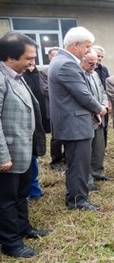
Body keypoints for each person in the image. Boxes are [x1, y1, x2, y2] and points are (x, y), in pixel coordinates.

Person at [0, 31, 49, 258]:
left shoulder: (17, 76)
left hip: (24, 151)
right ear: (10, 57)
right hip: (7, 155)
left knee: (21, 194)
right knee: (6, 200)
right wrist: (2, 156)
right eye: (29, 58)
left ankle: (23, 228)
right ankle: (11, 243)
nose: (33, 62)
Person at [49, 26, 107, 211]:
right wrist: (100, 108)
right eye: (87, 47)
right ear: (75, 45)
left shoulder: (60, 61)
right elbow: (83, 94)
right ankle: (78, 201)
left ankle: (76, 196)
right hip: (75, 125)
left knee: (76, 163)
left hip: (72, 123)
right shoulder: (67, 64)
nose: (89, 51)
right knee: (79, 164)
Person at [80, 49, 110, 191]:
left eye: (96, 63)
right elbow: (85, 98)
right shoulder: (79, 76)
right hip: (88, 119)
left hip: (100, 117)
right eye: (91, 63)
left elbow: (103, 92)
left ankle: (98, 173)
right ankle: (88, 179)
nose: (94, 66)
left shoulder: (95, 75)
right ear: (82, 61)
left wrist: (104, 105)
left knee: (99, 148)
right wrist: (98, 109)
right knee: (87, 151)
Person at [40, 46, 66, 171]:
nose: (56, 57)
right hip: (54, 109)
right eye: (53, 55)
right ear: (49, 57)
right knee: (56, 137)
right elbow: (45, 90)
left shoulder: (64, 69)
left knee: (68, 135)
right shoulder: (45, 72)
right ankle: (55, 161)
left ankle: (66, 158)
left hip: (67, 110)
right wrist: (64, 94)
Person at [23, 65, 46, 199]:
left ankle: (34, 190)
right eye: (28, 59)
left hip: (31, 129)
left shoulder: (21, 78)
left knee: (32, 160)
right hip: (18, 135)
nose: (31, 63)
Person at [93, 45, 111, 148]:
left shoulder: (104, 69)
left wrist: (107, 101)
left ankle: (103, 147)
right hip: (92, 103)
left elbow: (107, 85)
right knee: (96, 125)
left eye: (101, 56)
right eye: (98, 55)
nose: (99, 58)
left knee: (105, 125)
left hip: (104, 102)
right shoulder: (88, 68)